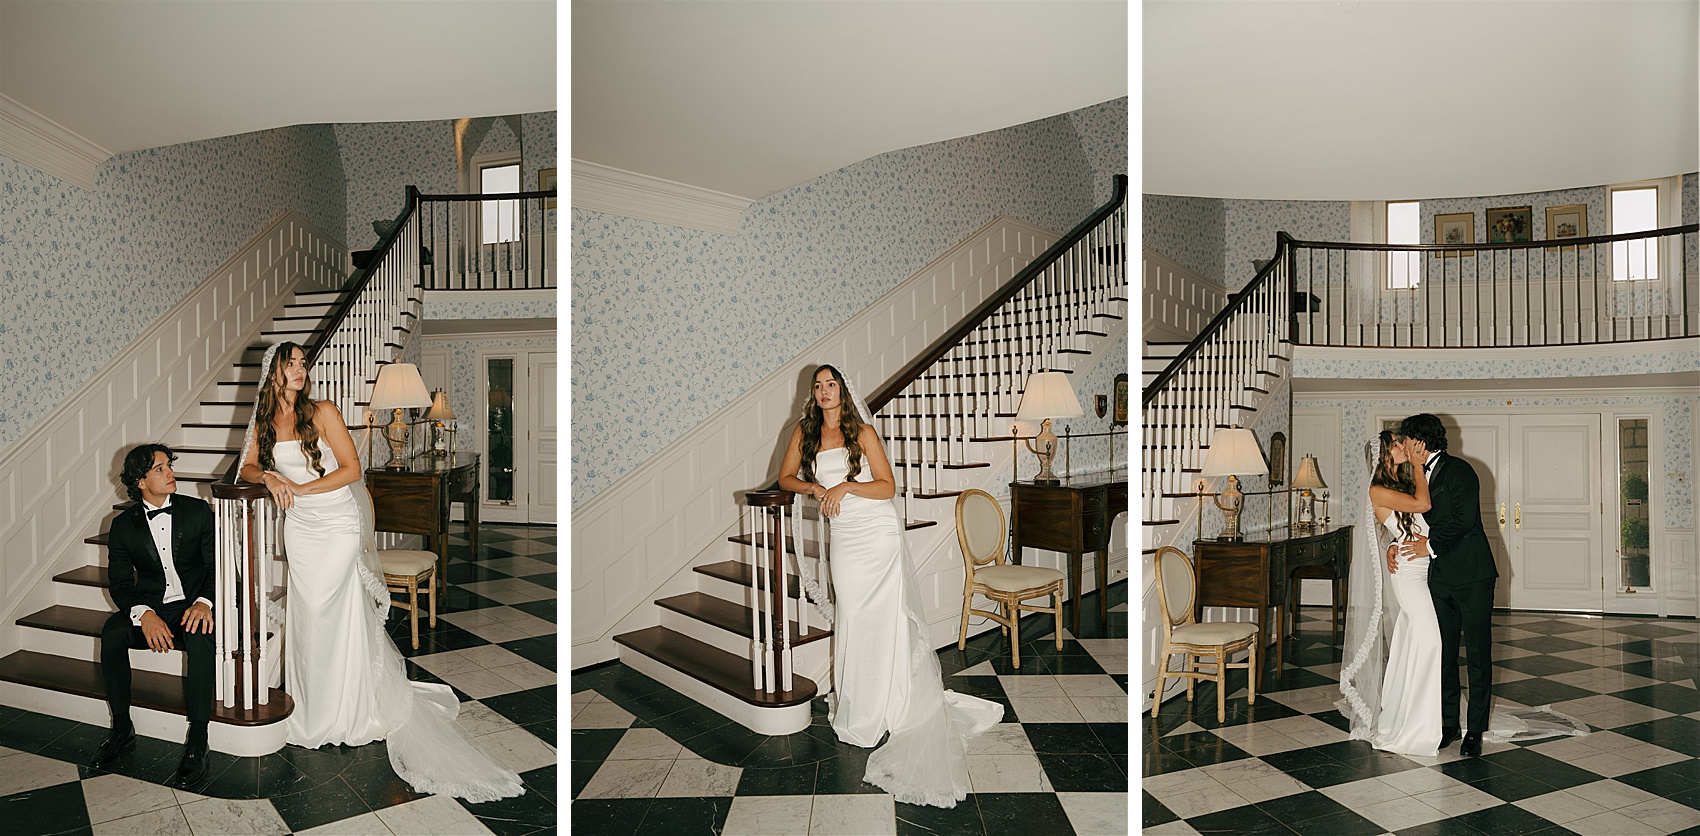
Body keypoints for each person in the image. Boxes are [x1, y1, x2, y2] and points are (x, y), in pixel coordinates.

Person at [239, 342, 522, 802]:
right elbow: (248, 466)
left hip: (335, 523)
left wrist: (299, 486)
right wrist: (269, 478)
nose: (300, 370)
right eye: (290, 364)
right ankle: (310, 705)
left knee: (332, 610)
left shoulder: (323, 411)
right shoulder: (266, 422)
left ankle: (349, 708)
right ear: (273, 371)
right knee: (308, 615)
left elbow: (352, 470)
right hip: (302, 531)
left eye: (303, 363)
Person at [777, 365, 1002, 808]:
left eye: (831, 385)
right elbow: (786, 478)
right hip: (844, 539)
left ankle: (890, 703)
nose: (825, 392)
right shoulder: (803, 434)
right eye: (818, 387)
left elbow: (886, 487)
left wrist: (844, 486)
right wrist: (815, 489)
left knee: (882, 619)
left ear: (843, 390)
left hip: (876, 535)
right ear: (813, 395)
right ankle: (859, 706)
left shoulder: (862, 432)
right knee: (854, 618)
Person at [91, 444, 217, 785]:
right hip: (152, 609)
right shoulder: (121, 526)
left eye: (169, 465)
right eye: (160, 469)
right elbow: (119, 583)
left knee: (201, 633)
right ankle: (121, 728)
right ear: (140, 481)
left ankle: (199, 739)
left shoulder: (198, 512)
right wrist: (144, 613)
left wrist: (204, 602)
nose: (170, 472)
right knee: (113, 632)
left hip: (192, 605)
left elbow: (216, 567)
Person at [1394, 413, 1498, 757]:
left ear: (1420, 443)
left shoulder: (1461, 471)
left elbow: (1463, 519)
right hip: (1439, 580)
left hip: (1473, 575)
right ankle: (1448, 725)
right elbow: (1411, 518)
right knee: (1445, 655)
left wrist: (1430, 545)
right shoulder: (1416, 476)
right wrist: (1398, 544)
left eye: (1406, 442)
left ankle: (1476, 731)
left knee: (1478, 656)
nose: (1403, 449)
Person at [1363, 431, 1439, 755]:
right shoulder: (1377, 490)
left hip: (1421, 568)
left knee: (1411, 645)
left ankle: (1406, 717)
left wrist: (1395, 543)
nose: (1403, 446)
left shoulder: (1402, 485)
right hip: (1408, 576)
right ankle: (1418, 728)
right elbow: (1423, 505)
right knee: (1430, 641)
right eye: (1396, 444)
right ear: (1384, 454)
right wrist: (1420, 464)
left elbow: (1412, 524)